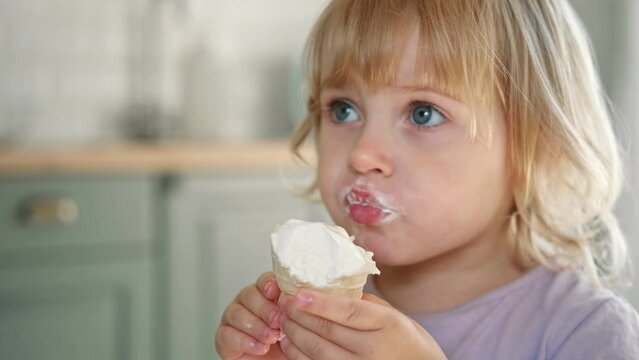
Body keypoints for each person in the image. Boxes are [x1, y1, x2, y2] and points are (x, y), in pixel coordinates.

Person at [215, 0, 639, 359]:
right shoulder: (311, 312)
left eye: (423, 113)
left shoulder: (587, 334)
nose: (362, 153)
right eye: (343, 109)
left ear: (537, 147)